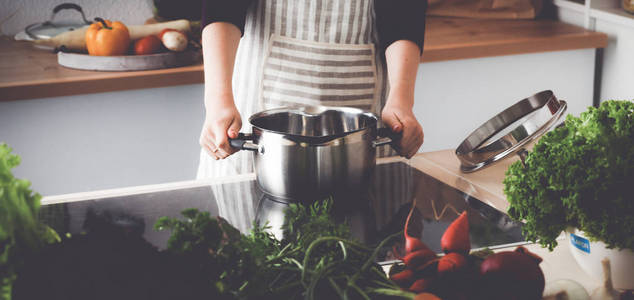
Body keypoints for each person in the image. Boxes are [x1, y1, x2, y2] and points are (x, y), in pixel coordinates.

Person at [196, 0, 427, 232]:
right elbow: (222, 7)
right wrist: (218, 101)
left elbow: (403, 14)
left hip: (363, 133)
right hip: (259, 131)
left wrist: (401, 100)